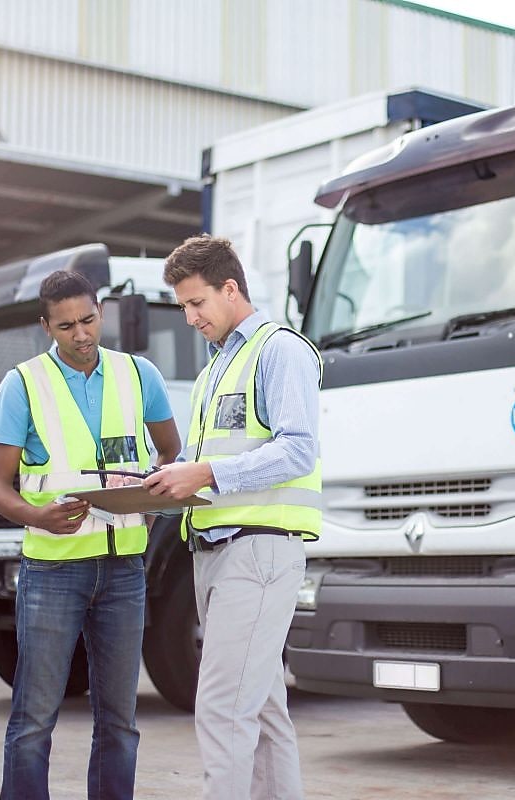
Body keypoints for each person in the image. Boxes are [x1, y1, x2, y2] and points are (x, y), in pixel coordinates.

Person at [0, 269, 181, 800]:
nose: (81, 334)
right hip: (52, 570)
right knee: (34, 718)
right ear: (46, 325)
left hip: (124, 571)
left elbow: (171, 452)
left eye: (89, 320)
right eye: (66, 325)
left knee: (120, 721)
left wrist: (149, 502)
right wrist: (38, 516)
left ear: (101, 312)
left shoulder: (140, 376)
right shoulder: (22, 384)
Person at [142, 234, 320, 800]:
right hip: (216, 553)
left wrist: (206, 474)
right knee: (262, 713)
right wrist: (167, 478)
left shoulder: (279, 350)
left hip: (259, 551)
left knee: (221, 709)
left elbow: (298, 449)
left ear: (230, 288)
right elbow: (210, 460)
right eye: (183, 307)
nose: (190, 318)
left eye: (197, 304)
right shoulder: (216, 369)